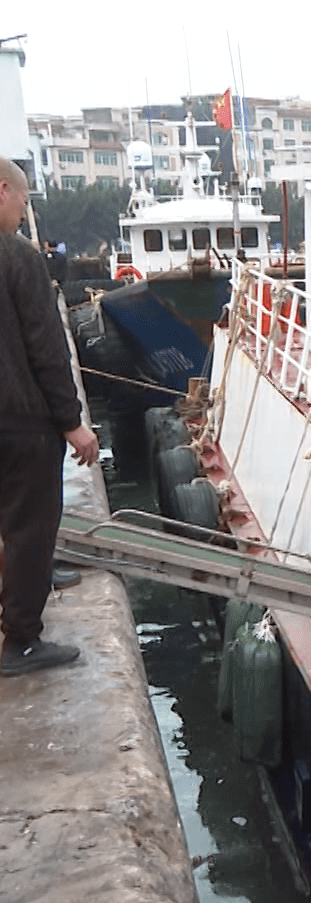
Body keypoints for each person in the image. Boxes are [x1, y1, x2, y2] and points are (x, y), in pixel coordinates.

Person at [0, 160, 98, 678]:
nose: (23, 209)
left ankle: (26, 585)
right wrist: (72, 422)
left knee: (10, 526)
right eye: (21, 199)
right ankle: (22, 641)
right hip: (19, 422)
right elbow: (45, 347)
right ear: (2, 192)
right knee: (31, 526)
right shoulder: (18, 258)